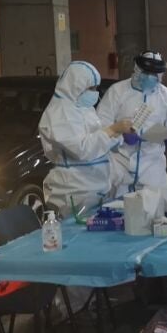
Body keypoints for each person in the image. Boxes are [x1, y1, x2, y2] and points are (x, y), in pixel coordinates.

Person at [39, 61, 130, 216]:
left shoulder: (84, 108)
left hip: (95, 186)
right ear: (76, 86)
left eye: (96, 88)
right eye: (91, 88)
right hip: (74, 190)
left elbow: (97, 139)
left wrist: (117, 136)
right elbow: (82, 149)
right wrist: (112, 130)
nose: (95, 92)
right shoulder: (60, 113)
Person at [98, 51, 167, 195]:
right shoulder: (117, 91)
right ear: (137, 69)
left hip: (152, 168)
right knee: (117, 206)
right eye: (146, 73)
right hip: (119, 165)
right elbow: (101, 124)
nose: (150, 77)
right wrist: (120, 137)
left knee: (154, 205)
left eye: (155, 74)